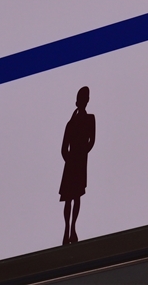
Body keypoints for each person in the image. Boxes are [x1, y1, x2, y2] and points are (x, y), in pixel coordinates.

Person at [60, 86, 95, 245]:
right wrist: (69, 159)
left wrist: (82, 153)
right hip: (72, 161)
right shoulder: (70, 123)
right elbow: (63, 147)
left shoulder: (90, 119)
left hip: (80, 160)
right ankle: (67, 229)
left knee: (76, 197)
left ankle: (73, 228)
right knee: (69, 198)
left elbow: (91, 141)